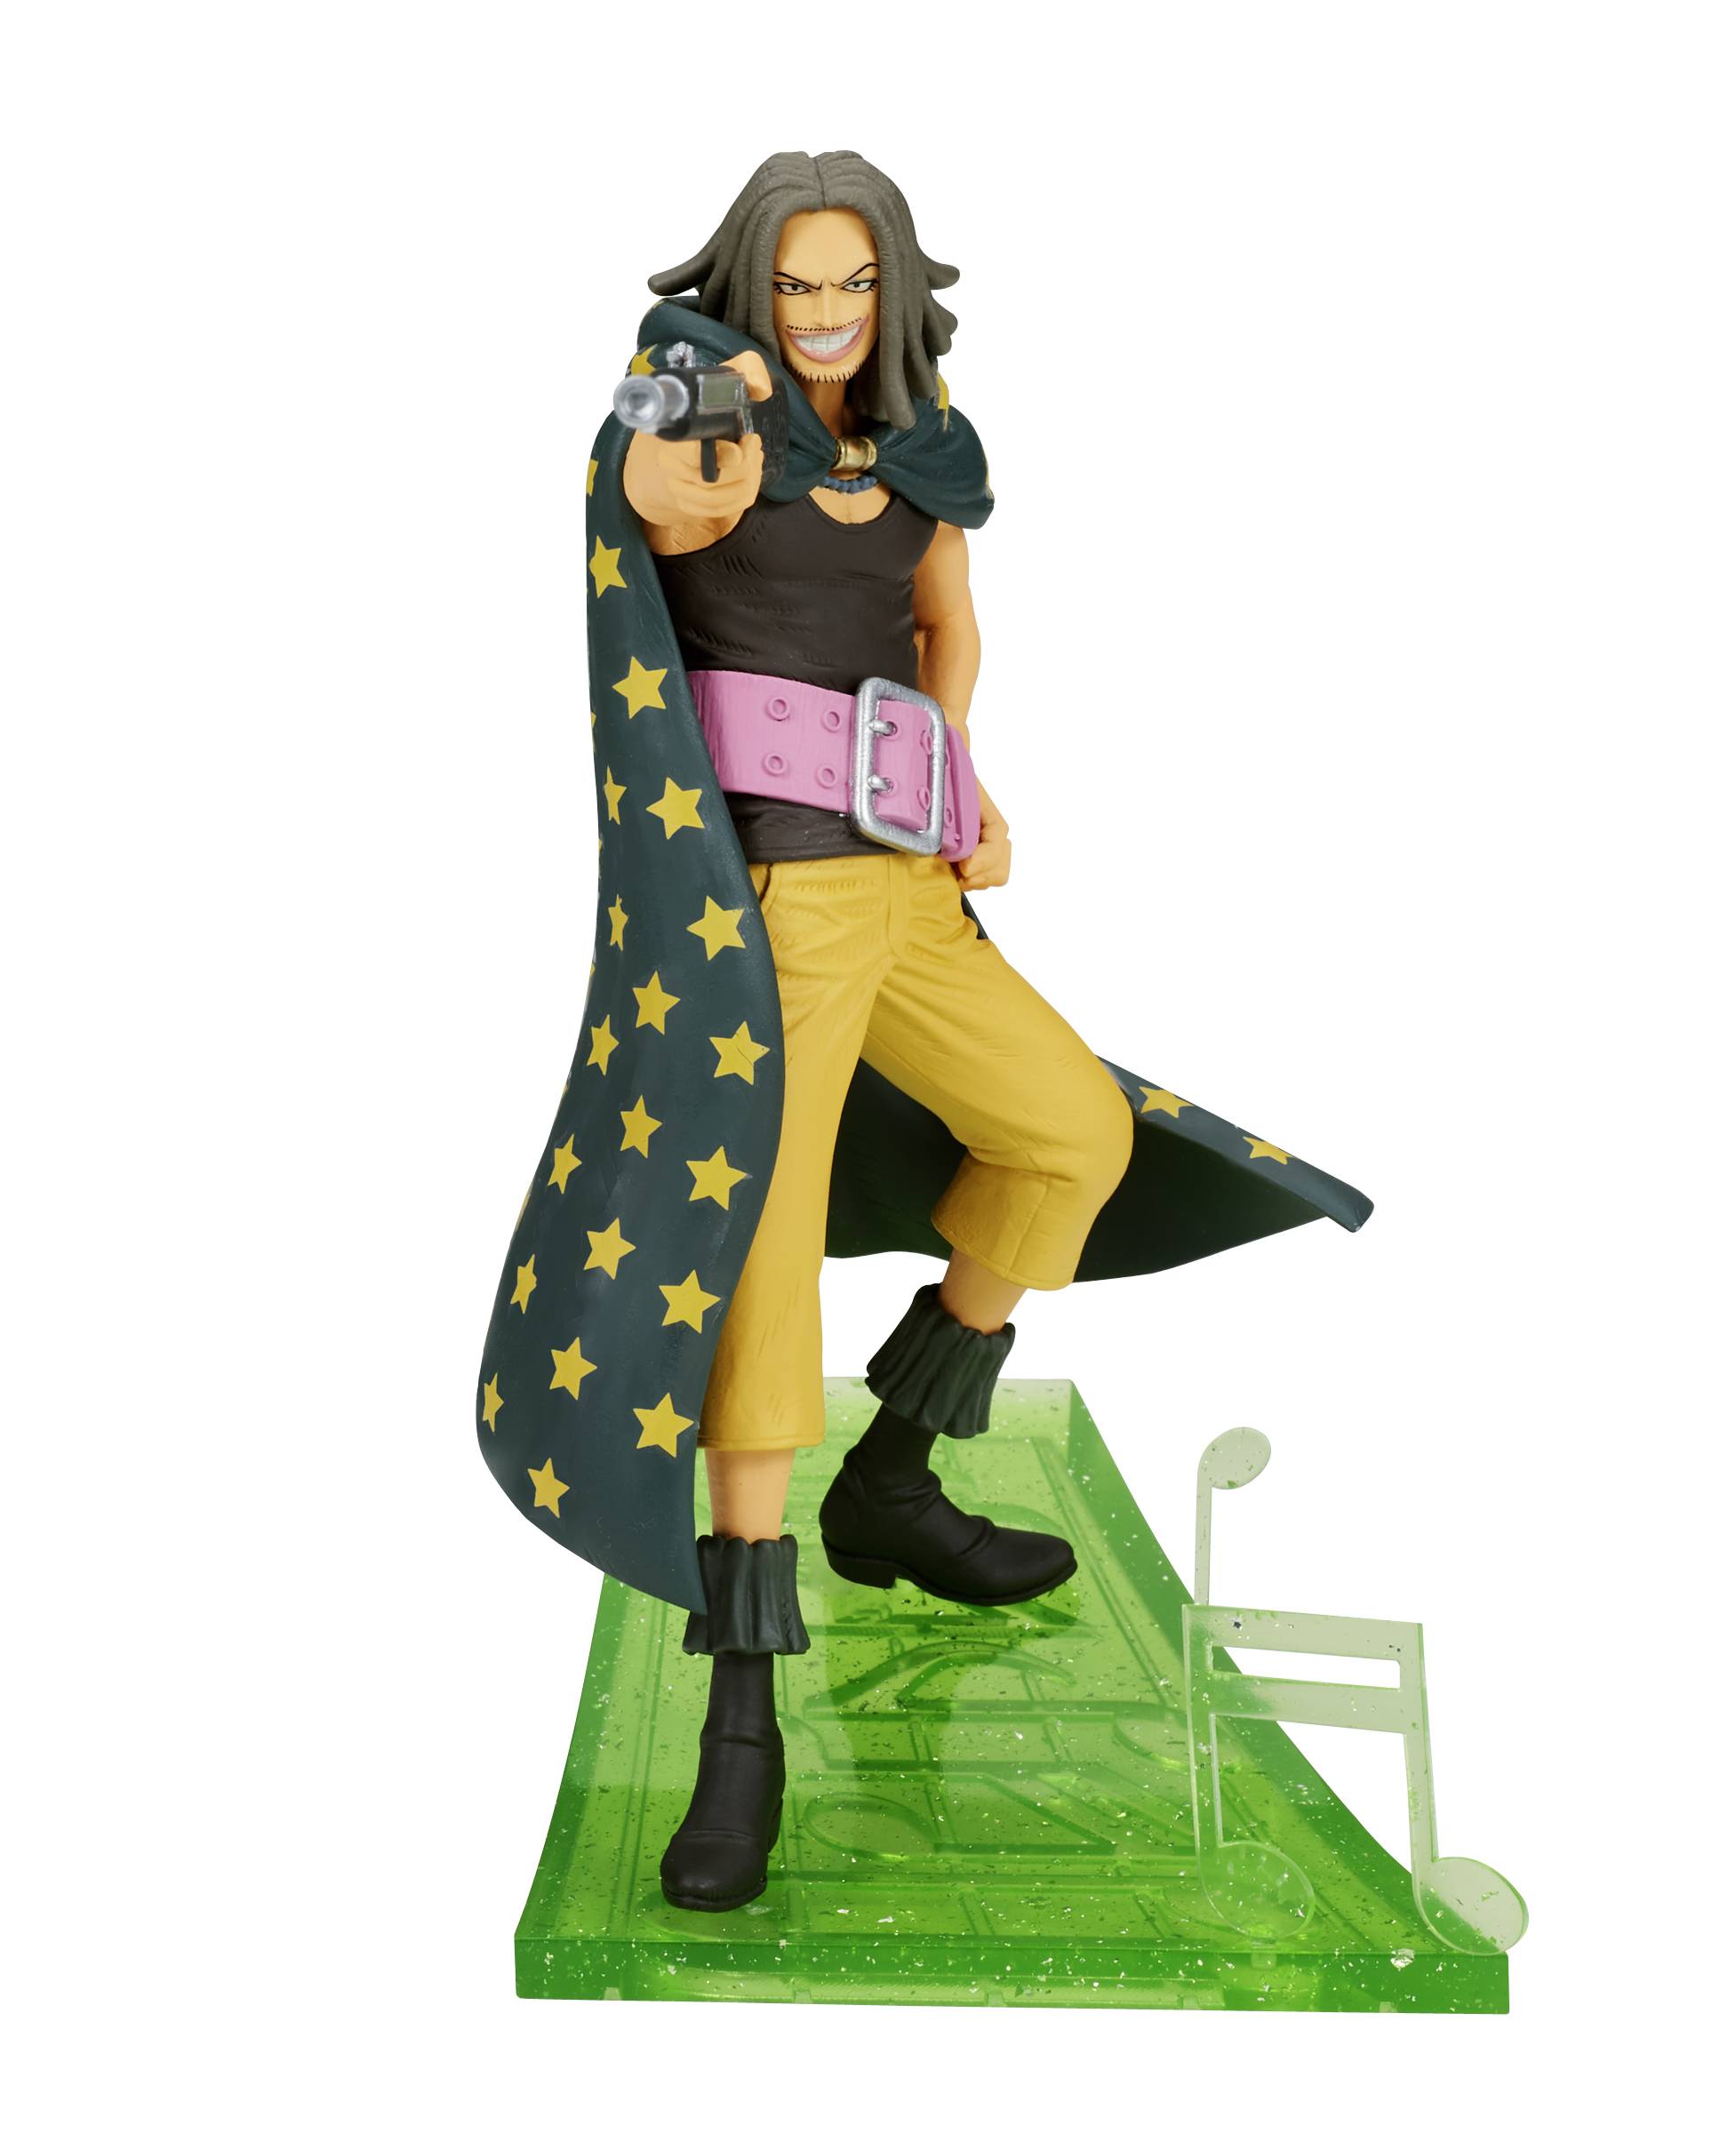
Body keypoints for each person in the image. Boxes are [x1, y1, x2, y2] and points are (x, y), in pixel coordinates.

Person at [476, 152, 1372, 1915]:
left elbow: (946, 620)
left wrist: (957, 777)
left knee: (1070, 1136)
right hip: (777, 904)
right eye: (794, 285)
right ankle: (744, 1708)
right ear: (750, 285)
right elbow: (666, 500)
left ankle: (889, 1477)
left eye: (850, 285)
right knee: (757, 1264)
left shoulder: (923, 443)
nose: (822, 315)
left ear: (889, 289)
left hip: (908, 882)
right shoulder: (710, 420)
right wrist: (693, 408)